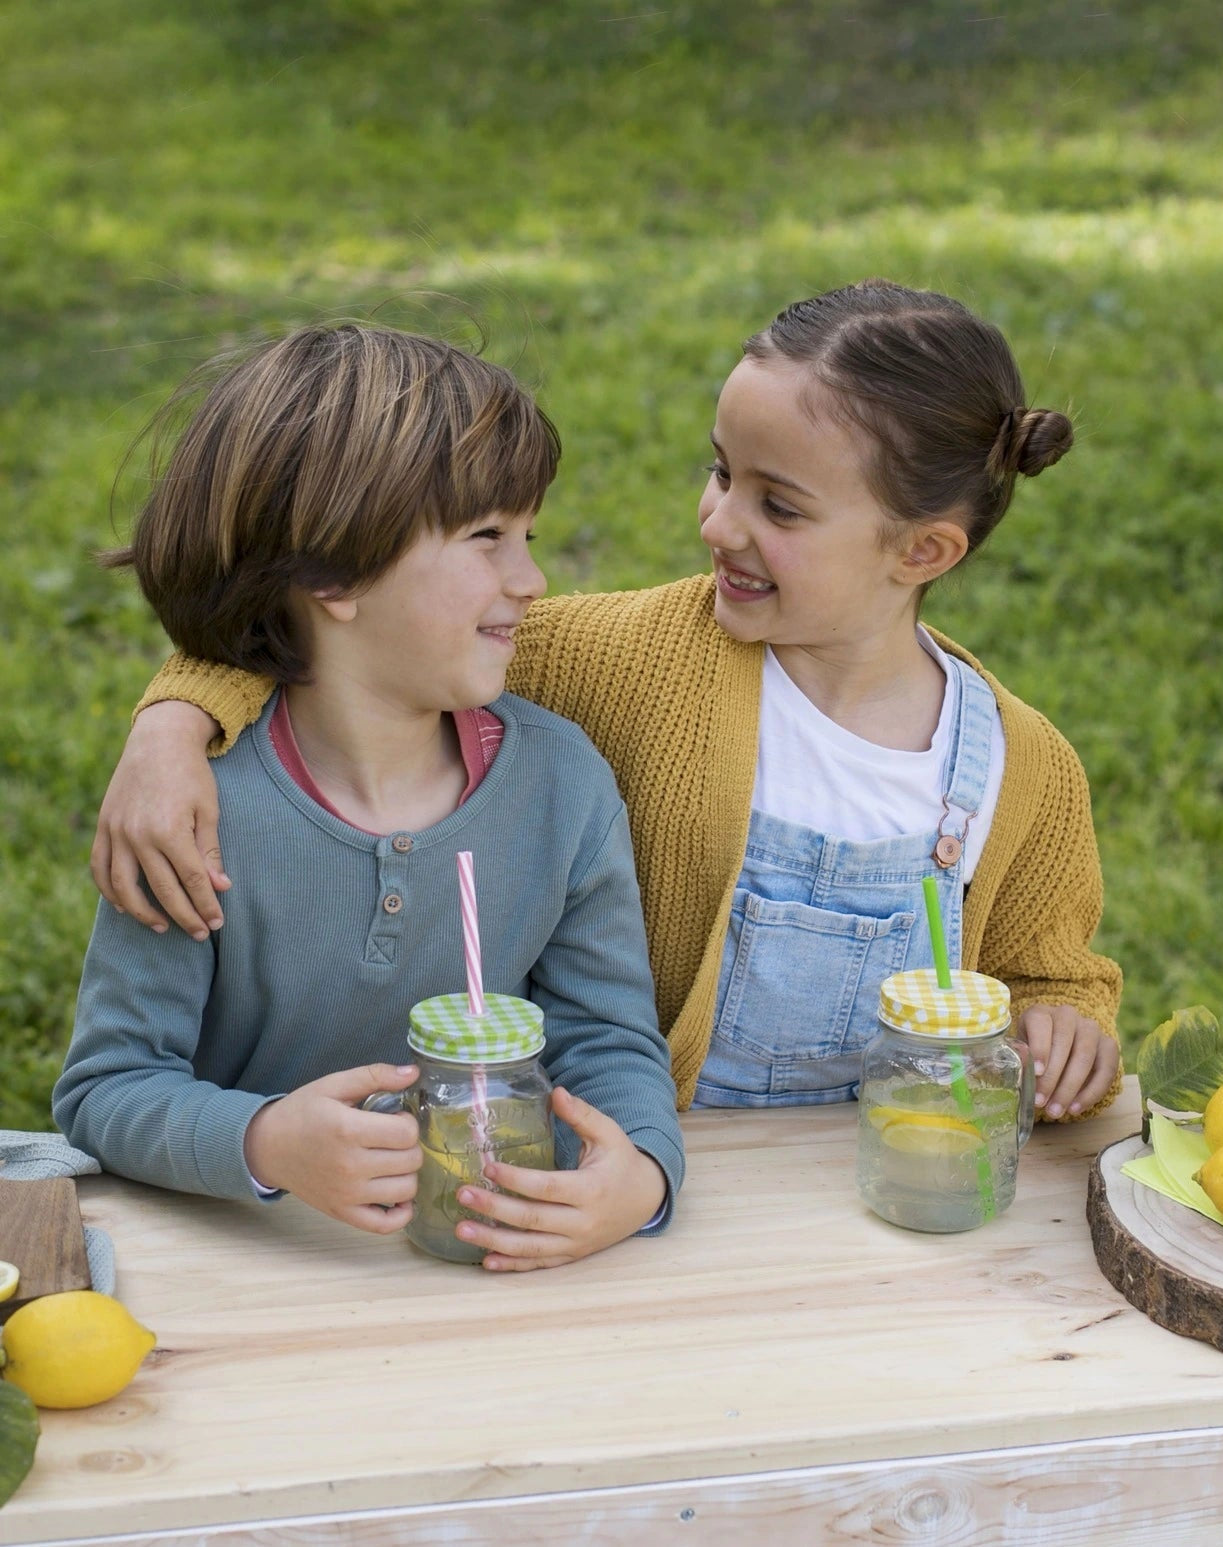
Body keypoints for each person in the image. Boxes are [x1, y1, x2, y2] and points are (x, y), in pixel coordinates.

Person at [90, 280, 1123, 1123]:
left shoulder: (1021, 768)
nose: (718, 521)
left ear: (921, 550)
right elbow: (343, 627)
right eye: (721, 472)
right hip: (655, 1162)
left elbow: (1046, 972)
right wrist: (174, 721)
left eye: (779, 504)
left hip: (876, 1185)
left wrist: (1059, 1020)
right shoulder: (624, 657)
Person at [55, 324, 684, 1271]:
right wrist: (266, 1140)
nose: (531, 579)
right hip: (256, 1273)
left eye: (529, 537)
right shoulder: (193, 813)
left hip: (487, 1264)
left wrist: (637, 1171)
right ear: (330, 574)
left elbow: (605, 1039)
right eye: (486, 539)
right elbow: (107, 1089)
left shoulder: (563, 785)